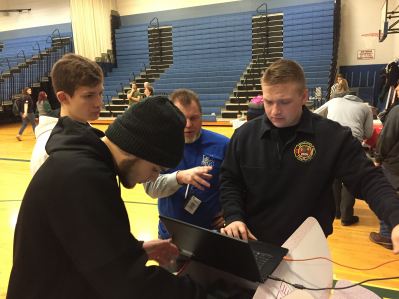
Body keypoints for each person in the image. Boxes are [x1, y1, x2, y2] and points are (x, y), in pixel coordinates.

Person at [7, 96, 215, 298]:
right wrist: (201, 294)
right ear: (137, 149)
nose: (151, 178)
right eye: (154, 168)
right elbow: (126, 284)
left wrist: (135, 251)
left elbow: (86, 246)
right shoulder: (83, 177)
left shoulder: (85, 162)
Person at [219, 59, 399, 254]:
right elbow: (230, 180)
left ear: (304, 96)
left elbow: (368, 180)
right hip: (253, 244)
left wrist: (395, 218)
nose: (274, 111)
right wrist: (234, 216)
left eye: (284, 102)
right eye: (268, 102)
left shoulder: (333, 137)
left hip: (309, 250)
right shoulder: (244, 136)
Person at [144, 89, 229, 239]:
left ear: (202, 116)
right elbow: (151, 188)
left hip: (209, 234)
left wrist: (230, 212)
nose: (188, 124)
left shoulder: (223, 145)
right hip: (169, 235)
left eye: (194, 118)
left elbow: (237, 184)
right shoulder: (159, 145)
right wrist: (179, 177)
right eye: (182, 118)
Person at [30, 53, 104, 175]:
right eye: (89, 96)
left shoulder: (86, 129)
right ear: (63, 97)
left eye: (100, 93)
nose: (99, 103)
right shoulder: (47, 152)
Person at [314, 93, 374, 225]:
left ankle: (336, 212)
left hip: (330, 141)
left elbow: (315, 114)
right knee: (351, 178)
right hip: (352, 142)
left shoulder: (334, 101)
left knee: (334, 177)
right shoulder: (365, 107)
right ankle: (346, 216)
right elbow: (369, 133)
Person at [370, 94, 399, 249]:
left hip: (394, 166)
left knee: (386, 196)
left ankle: (387, 236)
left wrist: (378, 158)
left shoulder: (397, 112)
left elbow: (386, 138)